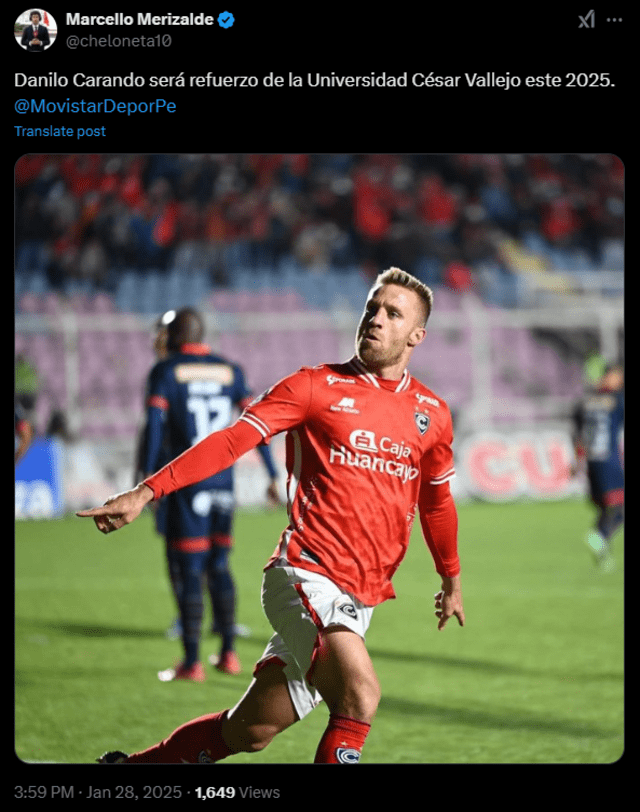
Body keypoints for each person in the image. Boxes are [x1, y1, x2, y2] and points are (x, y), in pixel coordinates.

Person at [78, 267, 465, 765]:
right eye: (372, 307)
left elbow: (436, 501)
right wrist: (147, 491)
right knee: (360, 697)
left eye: (393, 313)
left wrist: (450, 578)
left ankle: (132, 770)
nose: (376, 319)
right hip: (307, 575)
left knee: (249, 731)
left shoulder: (431, 412)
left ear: (417, 335)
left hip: (359, 598)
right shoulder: (314, 386)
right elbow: (232, 439)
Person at [137, 307, 281, 680]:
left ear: (174, 336)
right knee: (219, 565)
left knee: (187, 570)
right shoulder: (230, 370)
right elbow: (256, 424)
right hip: (223, 485)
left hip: (185, 485)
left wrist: (146, 481)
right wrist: (271, 473)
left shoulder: (166, 371)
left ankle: (191, 662)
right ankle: (230, 655)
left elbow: (154, 427)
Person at [572, 363, 624, 571]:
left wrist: (577, 462)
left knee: (605, 508)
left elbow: (577, 436)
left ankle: (603, 554)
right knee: (619, 509)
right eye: (617, 376)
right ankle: (599, 536)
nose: (619, 380)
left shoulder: (583, 403)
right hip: (609, 460)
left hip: (591, 463)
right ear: (606, 377)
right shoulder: (617, 399)